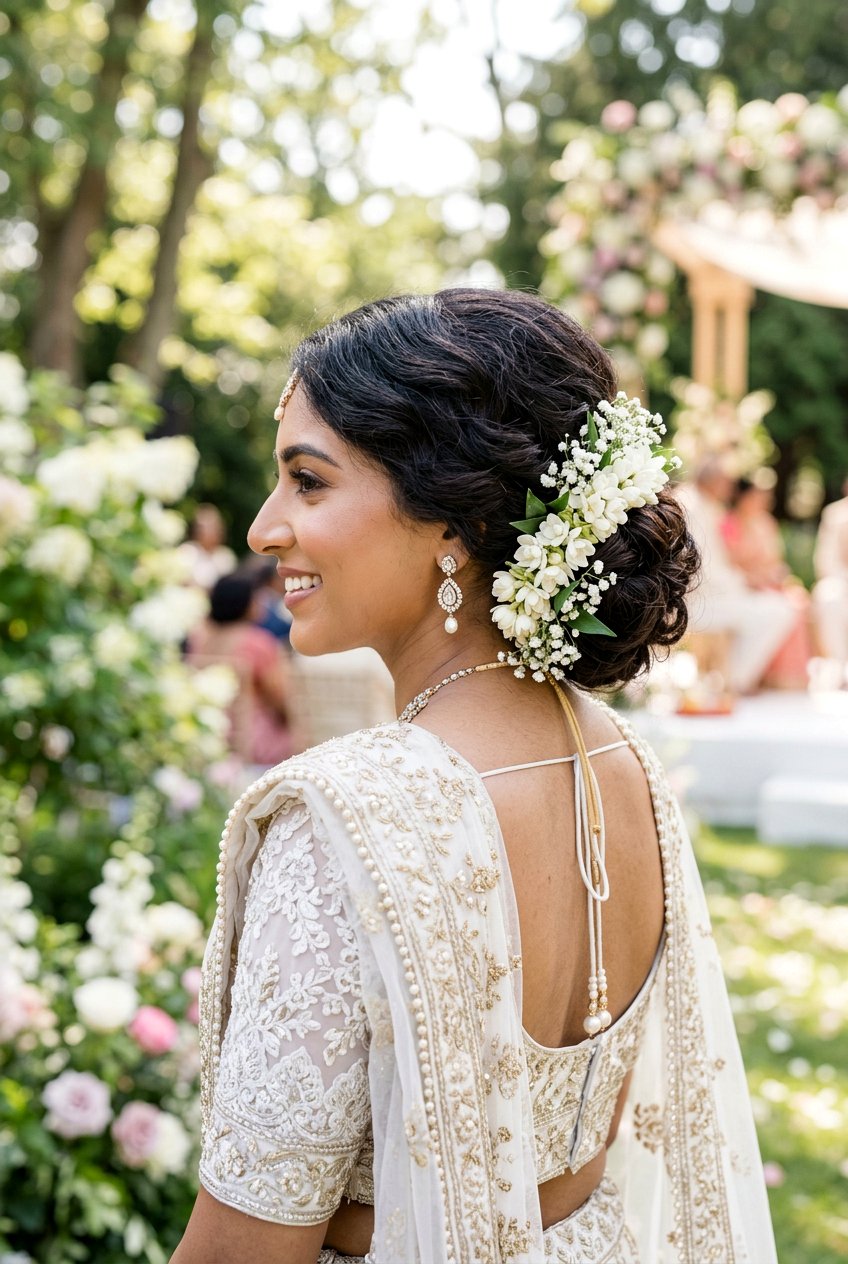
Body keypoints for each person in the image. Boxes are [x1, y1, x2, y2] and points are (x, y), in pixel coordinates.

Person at [172, 291, 777, 1264]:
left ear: (451, 518)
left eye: (307, 482)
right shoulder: (623, 765)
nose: (262, 527)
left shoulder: (351, 818)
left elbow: (241, 1249)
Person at [675, 458, 796, 693]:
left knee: (779, 607)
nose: (730, 488)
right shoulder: (691, 507)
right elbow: (702, 571)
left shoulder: (707, 505)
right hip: (697, 600)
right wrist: (747, 582)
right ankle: (735, 682)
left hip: (716, 592)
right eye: (726, 481)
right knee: (779, 610)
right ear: (712, 480)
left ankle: (731, 679)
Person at [186, 573, 293, 766]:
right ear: (244, 602)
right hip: (254, 745)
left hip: (207, 736)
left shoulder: (199, 638)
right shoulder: (257, 642)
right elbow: (281, 700)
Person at [721, 475, 812, 690]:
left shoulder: (766, 522)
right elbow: (729, 563)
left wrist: (780, 578)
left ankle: (783, 675)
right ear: (744, 496)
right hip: (744, 584)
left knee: (799, 603)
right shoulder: (729, 523)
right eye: (758, 495)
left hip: (771, 583)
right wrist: (756, 578)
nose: (763, 500)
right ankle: (762, 675)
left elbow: (776, 561)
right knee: (787, 608)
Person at [812, 475, 848, 684]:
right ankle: (840, 666)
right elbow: (824, 560)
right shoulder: (834, 515)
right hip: (840, 581)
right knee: (828, 596)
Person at [179, 503, 238, 592]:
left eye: (214, 527)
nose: (211, 532)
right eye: (206, 528)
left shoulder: (226, 556)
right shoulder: (187, 551)